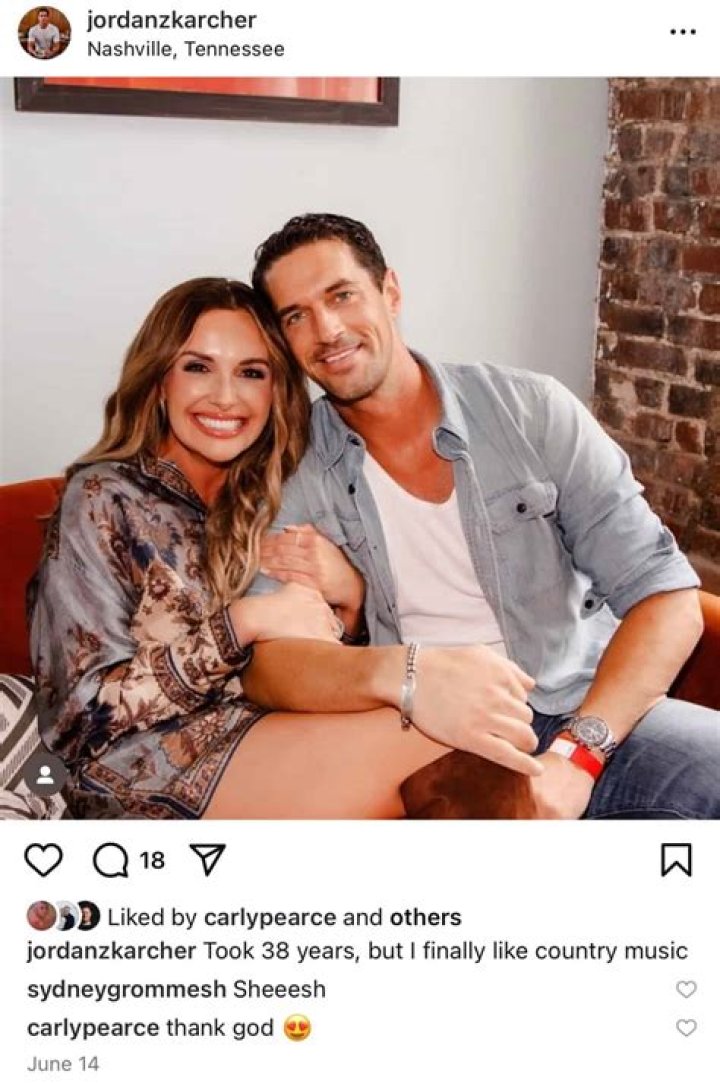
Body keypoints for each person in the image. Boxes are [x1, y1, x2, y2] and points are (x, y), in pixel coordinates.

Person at [245, 212, 720, 819]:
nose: (327, 330)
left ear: (390, 291)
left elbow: (667, 596)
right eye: (296, 316)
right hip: (427, 735)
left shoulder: (530, 410)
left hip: (580, 706)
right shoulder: (294, 466)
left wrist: (580, 754)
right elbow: (269, 666)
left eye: (341, 295)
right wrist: (407, 673)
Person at [30, 276, 517, 820]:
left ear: (276, 391)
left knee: (472, 736)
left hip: (265, 727)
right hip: (135, 764)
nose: (225, 396)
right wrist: (243, 623)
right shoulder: (102, 496)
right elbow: (78, 719)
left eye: (251, 373)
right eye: (198, 367)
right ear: (160, 380)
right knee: (460, 745)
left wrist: (352, 599)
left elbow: (315, 663)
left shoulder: (279, 495)